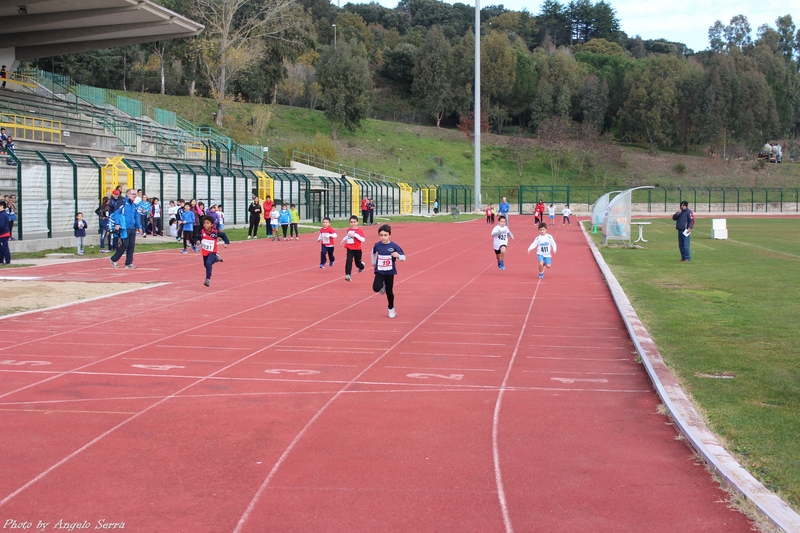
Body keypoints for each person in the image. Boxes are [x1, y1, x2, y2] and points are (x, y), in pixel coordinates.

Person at [371, 224, 406, 319]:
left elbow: (404, 258)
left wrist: (398, 256)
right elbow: (373, 252)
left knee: (389, 292)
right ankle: (382, 286)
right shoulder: (377, 245)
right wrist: (373, 262)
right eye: (381, 235)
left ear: (390, 235)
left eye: (385, 235)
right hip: (379, 271)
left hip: (390, 272)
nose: (383, 237)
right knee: (375, 288)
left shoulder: (394, 246)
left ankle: (391, 309)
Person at [109, 188, 141, 269]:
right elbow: (116, 213)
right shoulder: (123, 202)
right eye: (133, 194)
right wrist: (117, 224)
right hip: (124, 227)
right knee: (125, 244)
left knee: (131, 245)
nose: (135, 195)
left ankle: (128, 263)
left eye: (135, 194)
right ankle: (114, 259)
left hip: (131, 227)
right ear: (128, 195)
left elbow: (136, 216)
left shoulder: (134, 205)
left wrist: (139, 227)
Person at [199, 215, 229, 287]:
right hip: (205, 252)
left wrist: (226, 242)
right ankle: (216, 259)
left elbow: (223, 235)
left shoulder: (215, 232)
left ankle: (208, 279)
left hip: (212, 252)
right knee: (206, 265)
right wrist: (197, 241)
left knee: (209, 263)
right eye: (204, 223)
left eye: (207, 223)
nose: (205, 225)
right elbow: (196, 237)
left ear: (212, 224)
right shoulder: (202, 232)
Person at [341, 215, 366, 282]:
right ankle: (348, 275)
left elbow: (363, 240)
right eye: (351, 222)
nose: (353, 224)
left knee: (357, 263)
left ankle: (362, 266)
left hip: (357, 249)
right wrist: (343, 240)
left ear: (357, 222)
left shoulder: (359, 231)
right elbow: (347, 236)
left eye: (354, 222)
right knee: (349, 261)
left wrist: (355, 235)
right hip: (350, 248)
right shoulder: (348, 230)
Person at [0, 200, 10, 265]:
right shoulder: (2, 214)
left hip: (3, 234)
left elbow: (1, 225)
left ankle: (7, 261)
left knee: (4, 248)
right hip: (3, 234)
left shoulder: (2, 215)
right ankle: (1, 261)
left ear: (2, 206)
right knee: (1, 249)